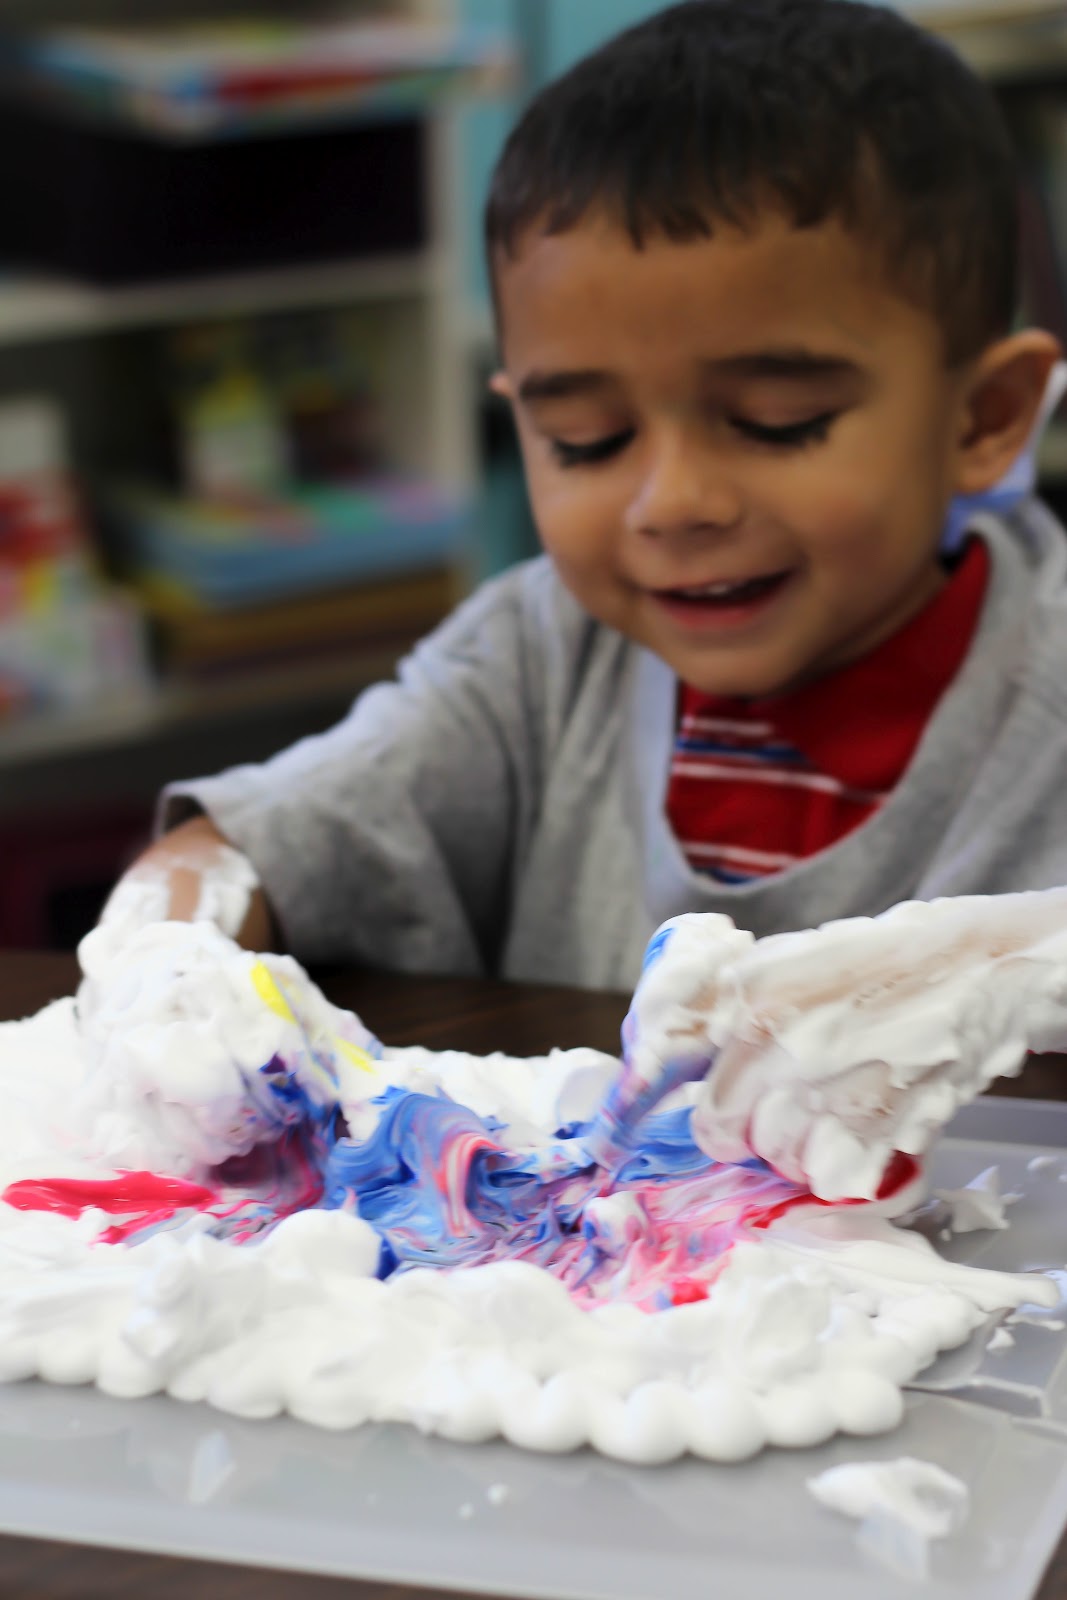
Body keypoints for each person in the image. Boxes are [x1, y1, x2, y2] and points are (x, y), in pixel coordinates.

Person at [97, 0, 1067, 1000]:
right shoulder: (536, 663)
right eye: (586, 441)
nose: (672, 502)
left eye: (777, 420)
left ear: (980, 418)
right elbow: (241, 849)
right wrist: (167, 970)